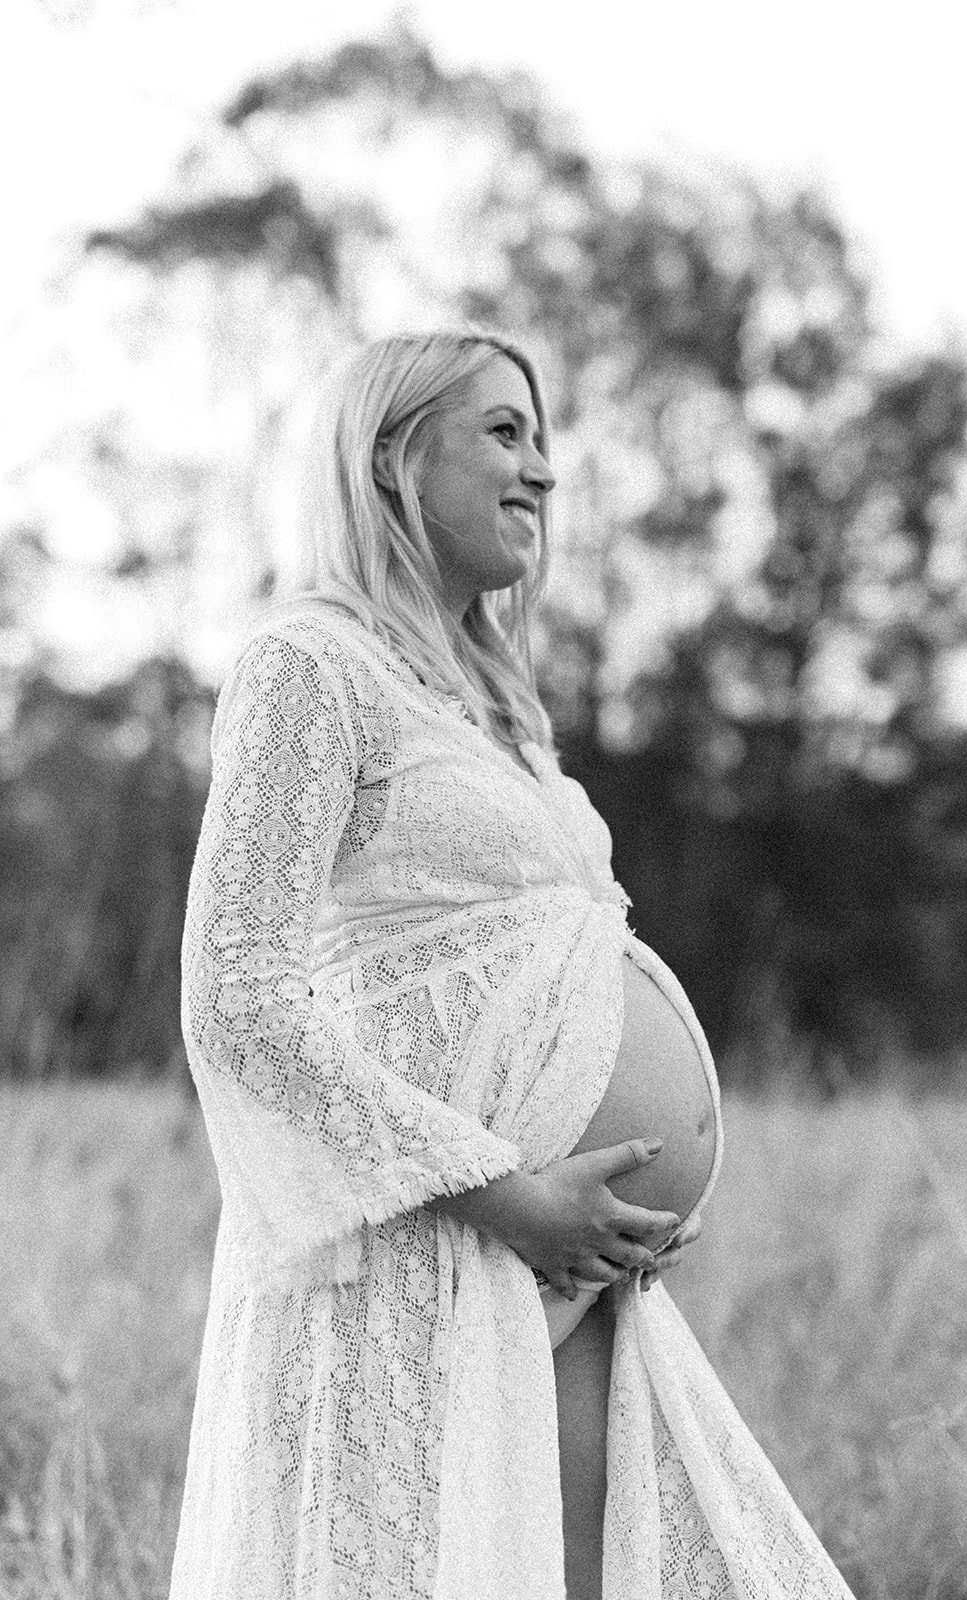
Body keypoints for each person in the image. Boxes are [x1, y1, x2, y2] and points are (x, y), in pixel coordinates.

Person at [169, 327, 857, 1599]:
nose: (542, 468)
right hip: (427, 1241)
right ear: (387, 461)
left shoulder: (494, 708)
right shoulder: (307, 666)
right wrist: (500, 1189)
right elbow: (238, 995)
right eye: (503, 432)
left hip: (558, 1257)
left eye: (543, 437)